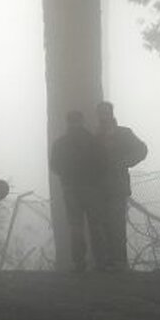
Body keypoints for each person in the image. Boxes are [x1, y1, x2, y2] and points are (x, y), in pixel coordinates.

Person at [49, 110, 105, 272]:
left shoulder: (60, 143)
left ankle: (79, 263)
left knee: (75, 225)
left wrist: (66, 176)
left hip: (71, 188)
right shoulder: (93, 141)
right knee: (95, 225)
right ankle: (99, 262)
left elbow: (54, 165)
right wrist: (95, 179)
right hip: (91, 188)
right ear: (82, 121)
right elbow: (103, 163)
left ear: (67, 122)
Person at [94, 101, 147, 271]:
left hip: (117, 187)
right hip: (98, 189)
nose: (103, 116)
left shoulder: (124, 133)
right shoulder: (94, 137)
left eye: (105, 113)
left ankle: (119, 262)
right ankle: (107, 263)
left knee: (117, 225)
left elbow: (142, 149)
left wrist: (125, 162)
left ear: (111, 114)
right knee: (103, 226)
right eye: (100, 113)